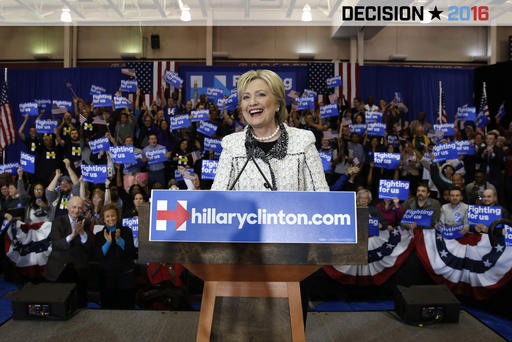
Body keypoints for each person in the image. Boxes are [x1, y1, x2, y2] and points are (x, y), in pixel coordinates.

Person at [212, 69, 328, 191]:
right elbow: (217, 199)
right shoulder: (231, 145)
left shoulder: (303, 141)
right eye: (246, 97)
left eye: (261, 95)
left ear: (277, 103)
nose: (252, 102)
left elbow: (321, 197)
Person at [44, 196, 92, 307]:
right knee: (58, 302)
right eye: (74, 207)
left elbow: (89, 246)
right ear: (68, 207)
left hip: (78, 267)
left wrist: (82, 233)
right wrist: (72, 236)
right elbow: (56, 245)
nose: (76, 210)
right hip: (59, 266)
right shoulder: (57, 222)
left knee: (80, 302)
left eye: (80, 208)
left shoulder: (86, 222)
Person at [95, 203, 136, 309]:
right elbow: (98, 255)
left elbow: (131, 252)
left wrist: (119, 240)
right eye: (107, 216)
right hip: (107, 279)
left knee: (126, 308)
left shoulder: (126, 231)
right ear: (103, 219)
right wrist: (108, 243)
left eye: (113, 215)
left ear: (117, 217)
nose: (110, 218)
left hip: (125, 278)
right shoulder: (99, 235)